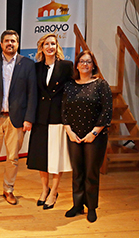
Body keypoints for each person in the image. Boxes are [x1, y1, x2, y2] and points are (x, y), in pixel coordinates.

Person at [0, 30, 37, 205]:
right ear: (1, 44)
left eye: (13, 41)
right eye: (6, 41)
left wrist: (29, 119)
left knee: (12, 158)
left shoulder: (27, 64)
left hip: (16, 120)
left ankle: (8, 190)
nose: (10, 43)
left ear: (17, 44)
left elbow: (32, 94)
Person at [62, 50, 112, 223]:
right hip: (74, 135)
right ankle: (77, 205)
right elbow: (64, 111)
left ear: (93, 65)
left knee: (91, 172)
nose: (85, 64)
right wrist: (69, 131)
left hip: (95, 136)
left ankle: (91, 207)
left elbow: (106, 112)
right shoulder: (69, 85)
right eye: (82, 61)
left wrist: (94, 133)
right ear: (76, 65)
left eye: (88, 62)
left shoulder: (101, 85)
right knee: (77, 172)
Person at [26, 33, 73, 210]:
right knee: (41, 157)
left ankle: (54, 191)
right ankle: (44, 189)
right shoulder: (36, 67)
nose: (50, 47)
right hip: (40, 118)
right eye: (47, 44)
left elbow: (70, 92)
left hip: (57, 117)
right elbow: (33, 94)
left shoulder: (67, 66)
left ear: (57, 46)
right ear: (41, 47)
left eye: (53, 43)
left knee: (55, 157)